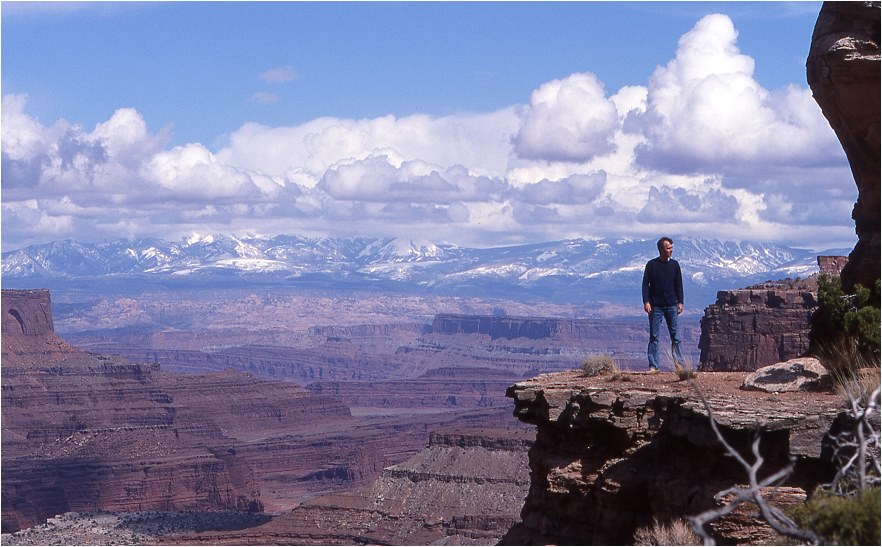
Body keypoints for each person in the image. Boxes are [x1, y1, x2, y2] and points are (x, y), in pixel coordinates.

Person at [641, 237, 685, 372]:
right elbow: (645, 284)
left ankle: (680, 366)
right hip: (656, 306)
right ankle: (653, 366)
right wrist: (646, 301)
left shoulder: (675, 265)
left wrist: (680, 302)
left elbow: (679, 284)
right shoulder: (652, 265)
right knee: (654, 336)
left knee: (676, 337)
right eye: (668, 248)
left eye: (671, 248)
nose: (671, 250)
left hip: (671, 305)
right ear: (661, 249)